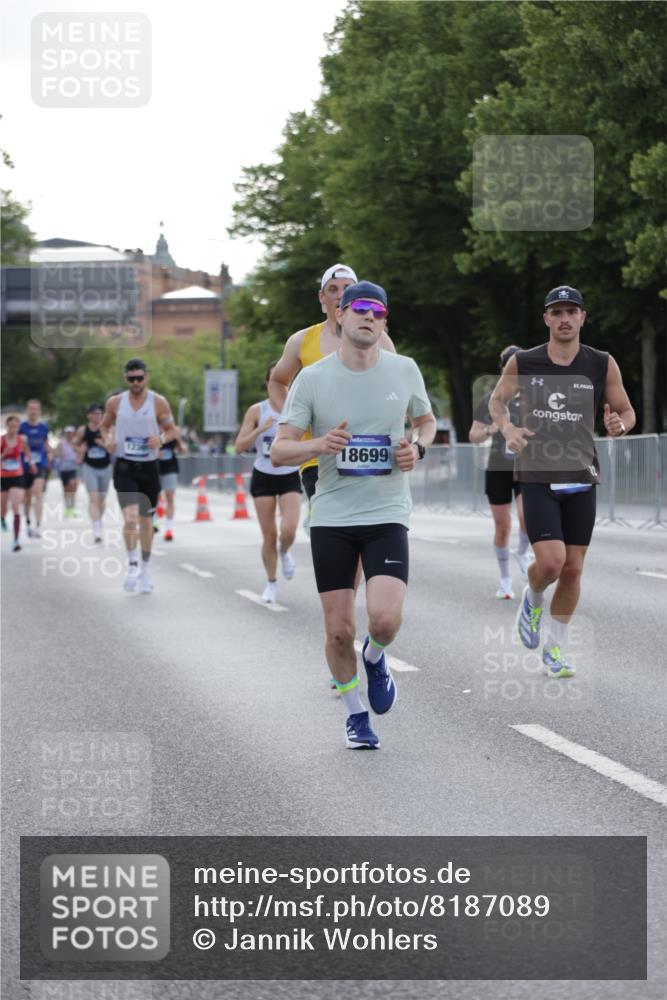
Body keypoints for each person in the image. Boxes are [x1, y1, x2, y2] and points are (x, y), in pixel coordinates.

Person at [272, 281, 436, 749]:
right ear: (339, 316)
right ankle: (355, 715)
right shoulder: (313, 378)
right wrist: (318, 444)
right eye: (360, 308)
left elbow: (425, 420)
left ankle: (377, 656)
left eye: (379, 311)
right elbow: (281, 449)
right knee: (339, 631)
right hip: (333, 517)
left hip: (386, 511)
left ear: (384, 323)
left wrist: (418, 448)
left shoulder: (403, 370)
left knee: (383, 620)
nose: (369, 316)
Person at [489, 285, 635, 678]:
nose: (565, 318)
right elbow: (497, 401)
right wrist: (507, 428)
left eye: (572, 311)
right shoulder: (525, 361)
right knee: (551, 563)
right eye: (558, 312)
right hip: (537, 473)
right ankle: (533, 596)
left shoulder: (601, 362)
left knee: (573, 569)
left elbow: (625, 411)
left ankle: (554, 648)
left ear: (583, 317)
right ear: (547, 319)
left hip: (581, 475)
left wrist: (618, 425)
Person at [268, 263, 396, 520]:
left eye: (347, 289)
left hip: (366, 450)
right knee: (335, 528)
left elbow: (394, 388)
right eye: (333, 289)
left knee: (363, 529)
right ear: (322, 297)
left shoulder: (379, 339)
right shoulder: (301, 340)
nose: (339, 294)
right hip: (317, 456)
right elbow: (277, 381)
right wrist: (295, 418)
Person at [100, 359, 178, 594]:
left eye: (139, 378)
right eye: (131, 378)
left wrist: (161, 439)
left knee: (146, 521)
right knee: (131, 517)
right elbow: (103, 426)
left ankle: (145, 567)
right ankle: (132, 563)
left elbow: (173, 430)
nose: (135, 382)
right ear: (125, 378)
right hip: (124, 466)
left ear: (147, 377)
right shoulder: (115, 403)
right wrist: (108, 441)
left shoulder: (158, 402)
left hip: (149, 467)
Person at [235, 362, 302, 603]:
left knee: (290, 529)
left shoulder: (297, 409)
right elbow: (239, 446)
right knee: (269, 536)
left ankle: (285, 552)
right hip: (263, 475)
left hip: (290, 475)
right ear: (268, 383)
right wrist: (259, 430)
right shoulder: (257, 410)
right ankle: (271, 583)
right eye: (276, 378)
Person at [469, 345, 532, 599]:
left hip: (524, 465)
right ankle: (505, 580)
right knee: (503, 526)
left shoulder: (533, 396)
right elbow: (472, 435)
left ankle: (523, 552)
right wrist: (491, 430)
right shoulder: (490, 399)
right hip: (498, 466)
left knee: (526, 516)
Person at [74, 403, 113, 543]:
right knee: (93, 498)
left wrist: (104, 444)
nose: (97, 415)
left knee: (101, 500)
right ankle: (96, 528)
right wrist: (80, 450)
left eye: (100, 413)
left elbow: (113, 448)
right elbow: (75, 445)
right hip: (89, 467)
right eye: (94, 413)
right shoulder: (83, 430)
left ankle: (98, 520)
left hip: (105, 467)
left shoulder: (108, 429)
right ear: (89, 415)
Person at [2, 415, 35, 551]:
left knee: (16, 506)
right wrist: (3, 454)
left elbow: (27, 453)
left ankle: (16, 540)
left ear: (18, 428)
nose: (13, 428)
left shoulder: (22, 439)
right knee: (2, 507)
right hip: (3, 476)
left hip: (17, 475)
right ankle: (2, 518)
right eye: (11, 426)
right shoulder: (2, 440)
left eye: (16, 426)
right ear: (7, 426)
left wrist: (32, 464)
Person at [20, 399, 52, 538]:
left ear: (39, 411)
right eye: (31, 408)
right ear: (27, 410)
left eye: (36, 409)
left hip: (40, 464)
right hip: (25, 465)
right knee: (27, 497)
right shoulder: (21, 427)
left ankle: (38, 525)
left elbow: (46, 444)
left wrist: (50, 453)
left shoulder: (44, 427)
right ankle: (28, 524)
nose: (33, 411)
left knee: (37, 493)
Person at [157, 425, 187, 542]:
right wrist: (155, 453)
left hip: (170, 467)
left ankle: (169, 528)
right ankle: (154, 519)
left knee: (170, 496)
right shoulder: (151, 428)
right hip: (154, 466)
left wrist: (178, 439)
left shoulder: (174, 431)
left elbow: (183, 450)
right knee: (154, 495)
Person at [55, 426, 80, 518]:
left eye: (71, 433)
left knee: (73, 485)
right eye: (68, 433)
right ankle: (67, 507)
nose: (69, 434)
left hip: (73, 467)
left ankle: (72, 507)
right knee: (66, 489)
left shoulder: (76, 443)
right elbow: (56, 453)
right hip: (63, 468)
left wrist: (78, 455)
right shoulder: (61, 443)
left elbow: (80, 453)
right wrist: (60, 454)